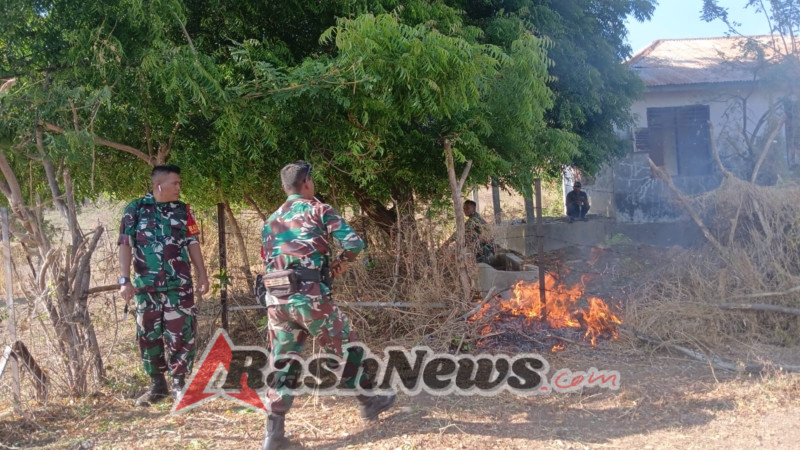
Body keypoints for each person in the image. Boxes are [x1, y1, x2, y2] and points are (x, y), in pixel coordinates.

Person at [260, 160, 395, 450]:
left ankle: (273, 435)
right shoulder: (319, 209)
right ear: (306, 182)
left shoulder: (271, 220)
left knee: (282, 361)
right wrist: (341, 262)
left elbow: (268, 258)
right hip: (310, 299)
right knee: (347, 345)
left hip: (276, 301)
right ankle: (369, 401)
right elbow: (355, 244)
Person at [118, 165, 209, 407]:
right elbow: (125, 244)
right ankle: (158, 385)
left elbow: (192, 242)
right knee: (148, 335)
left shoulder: (183, 211)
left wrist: (203, 274)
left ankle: (179, 383)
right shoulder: (135, 210)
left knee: (181, 333)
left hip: (178, 286)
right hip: (146, 288)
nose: (179, 188)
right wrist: (124, 280)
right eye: (175, 183)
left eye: (180, 183)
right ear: (159, 186)